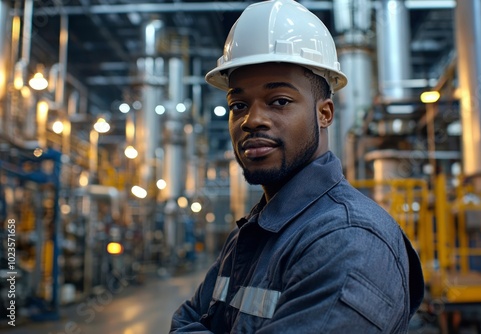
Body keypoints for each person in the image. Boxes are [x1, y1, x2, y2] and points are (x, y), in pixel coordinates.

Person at [170, 0, 424, 332]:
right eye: (238, 104)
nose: (252, 120)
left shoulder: (348, 241)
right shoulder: (251, 233)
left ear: (325, 113)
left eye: (279, 101)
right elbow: (184, 320)